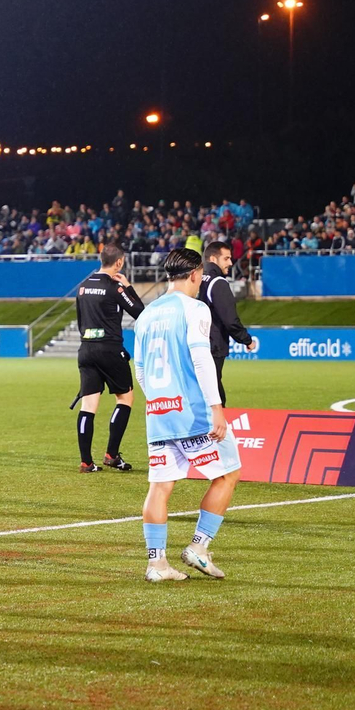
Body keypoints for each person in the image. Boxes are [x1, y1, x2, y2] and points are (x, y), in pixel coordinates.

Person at [132, 247, 242, 583]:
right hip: (192, 412)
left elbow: (140, 369)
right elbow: (202, 359)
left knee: (160, 486)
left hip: (159, 412)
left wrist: (158, 401)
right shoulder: (195, 309)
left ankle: (157, 564)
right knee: (228, 473)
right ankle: (199, 546)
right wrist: (216, 408)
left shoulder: (146, 314)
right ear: (195, 274)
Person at [71, 243, 143, 473]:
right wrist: (128, 287)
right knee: (125, 398)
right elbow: (140, 312)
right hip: (110, 350)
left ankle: (86, 462)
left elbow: (80, 318)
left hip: (86, 349)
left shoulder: (83, 286)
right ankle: (111, 454)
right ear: (119, 262)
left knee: (88, 405)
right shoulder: (115, 287)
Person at [199, 240, 256, 405]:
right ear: (213, 259)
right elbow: (230, 319)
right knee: (214, 396)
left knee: (204, 390)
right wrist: (246, 340)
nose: (231, 263)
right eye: (226, 258)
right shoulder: (218, 282)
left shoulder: (197, 278)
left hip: (197, 342)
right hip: (213, 344)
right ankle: (219, 421)